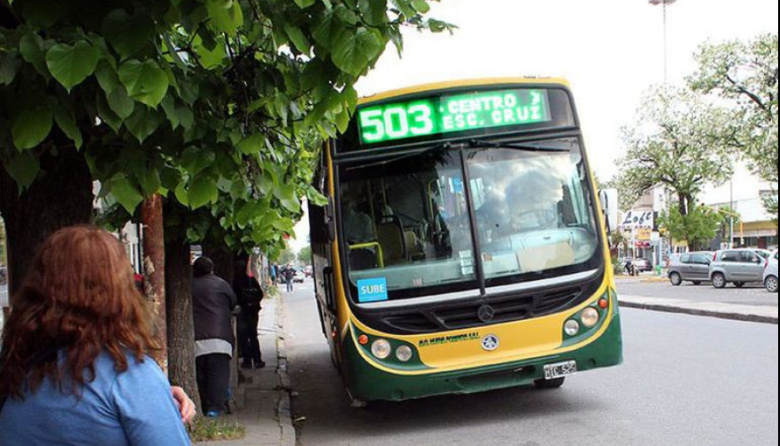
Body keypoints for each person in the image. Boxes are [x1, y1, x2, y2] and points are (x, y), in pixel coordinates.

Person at [0, 226, 192, 446]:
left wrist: (156, 398)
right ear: (120, 292)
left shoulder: (16, 370)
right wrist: (150, 398)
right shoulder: (127, 376)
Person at [191, 256, 238, 418]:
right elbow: (233, 303)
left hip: (196, 339)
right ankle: (215, 408)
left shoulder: (190, 285)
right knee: (218, 375)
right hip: (221, 338)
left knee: (201, 376)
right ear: (212, 269)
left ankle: (205, 405)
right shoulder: (221, 284)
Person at [234, 260, 265, 370]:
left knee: (243, 337)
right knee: (253, 336)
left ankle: (247, 361)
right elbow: (260, 294)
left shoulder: (235, 282)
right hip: (252, 311)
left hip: (242, 312)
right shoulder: (251, 281)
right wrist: (254, 303)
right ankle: (257, 360)